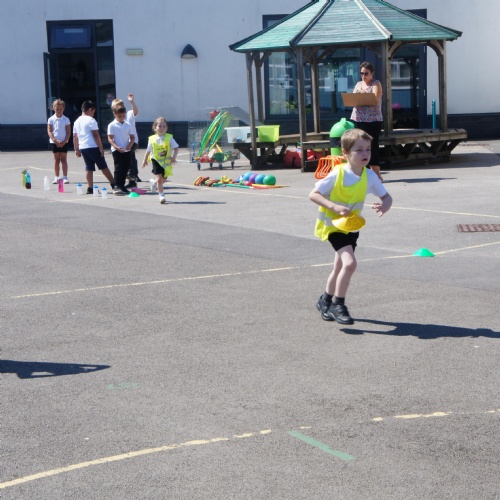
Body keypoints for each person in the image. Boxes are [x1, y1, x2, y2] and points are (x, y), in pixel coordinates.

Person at [309, 128, 392, 325]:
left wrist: (385, 205)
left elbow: (387, 197)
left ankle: (325, 300)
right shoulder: (338, 174)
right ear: (345, 153)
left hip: (352, 227)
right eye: (359, 150)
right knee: (349, 264)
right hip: (333, 227)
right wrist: (334, 207)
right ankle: (338, 305)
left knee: (339, 266)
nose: (365, 154)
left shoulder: (370, 176)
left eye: (368, 149)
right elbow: (313, 194)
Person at [350, 61, 384, 182]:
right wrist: (357, 98)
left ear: (372, 73)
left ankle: (376, 174)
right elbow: (353, 99)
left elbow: (375, 99)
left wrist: (363, 94)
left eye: (366, 73)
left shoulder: (376, 83)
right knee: (359, 145)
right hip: (359, 119)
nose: (363, 76)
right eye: (361, 73)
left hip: (372, 120)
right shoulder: (358, 84)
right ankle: (362, 173)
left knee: (372, 146)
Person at [73, 100, 114, 194]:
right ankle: (113, 183)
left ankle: (90, 188)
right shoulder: (91, 120)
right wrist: (101, 148)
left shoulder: (77, 121)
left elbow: (75, 136)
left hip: (83, 147)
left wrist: (76, 149)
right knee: (103, 166)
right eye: (93, 112)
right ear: (90, 110)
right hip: (93, 146)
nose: (93, 114)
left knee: (89, 167)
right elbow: (95, 134)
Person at [141, 117, 179, 204]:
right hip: (156, 160)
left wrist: (174, 157)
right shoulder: (152, 139)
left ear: (166, 128)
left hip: (166, 161)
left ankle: (153, 183)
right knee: (159, 179)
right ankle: (161, 195)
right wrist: (144, 160)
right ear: (155, 127)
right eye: (159, 126)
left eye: (164, 126)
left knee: (163, 180)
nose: (162, 128)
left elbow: (176, 148)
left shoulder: (169, 138)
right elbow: (148, 150)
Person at [111, 94, 140, 186]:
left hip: (133, 141)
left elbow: (135, 111)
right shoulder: (116, 120)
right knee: (131, 158)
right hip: (123, 143)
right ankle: (132, 180)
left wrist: (132, 101)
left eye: (119, 107)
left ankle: (131, 173)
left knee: (128, 156)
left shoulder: (129, 114)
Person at [107, 105, 135, 195]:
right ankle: (116, 186)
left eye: (123, 115)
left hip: (126, 150)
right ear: (115, 114)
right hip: (117, 150)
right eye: (119, 116)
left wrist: (129, 145)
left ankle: (122, 186)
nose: (121, 118)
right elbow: (110, 138)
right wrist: (116, 147)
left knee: (126, 167)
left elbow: (132, 137)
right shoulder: (112, 125)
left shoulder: (128, 125)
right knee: (118, 168)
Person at [47, 99, 71, 184]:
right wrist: (55, 140)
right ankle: (56, 177)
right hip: (54, 143)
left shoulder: (66, 119)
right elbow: (49, 131)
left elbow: (68, 132)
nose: (59, 111)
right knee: (56, 160)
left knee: (64, 159)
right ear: (54, 108)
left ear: (63, 109)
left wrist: (64, 141)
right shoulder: (51, 119)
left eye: (61, 109)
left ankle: (65, 177)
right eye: (57, 109)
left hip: (64, 142)